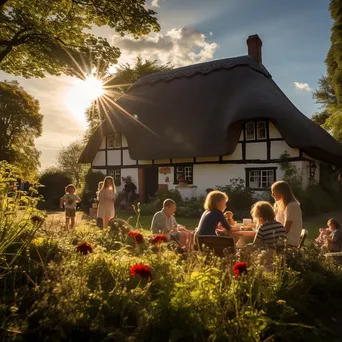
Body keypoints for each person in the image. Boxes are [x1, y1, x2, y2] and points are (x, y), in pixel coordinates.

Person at [271, 181, 303, 248]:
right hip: (282, 238)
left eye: (274, 192)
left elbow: (286, 230)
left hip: (288, 241)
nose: (272, 195)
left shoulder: (292, 206)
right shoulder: (280, 205)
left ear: (281, 192)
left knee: (262, 241)